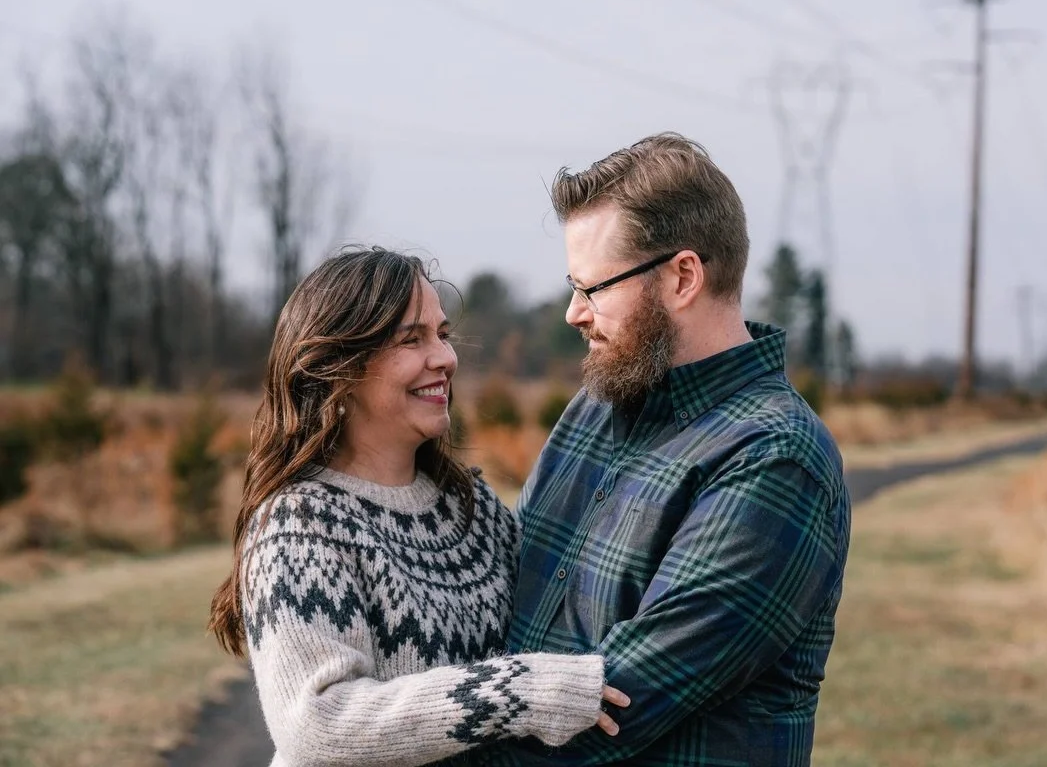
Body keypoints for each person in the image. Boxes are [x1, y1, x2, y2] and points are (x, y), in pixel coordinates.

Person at [489, 133, 851, 766]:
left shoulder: (774, 457)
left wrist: (397, 741)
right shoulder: (595, 407)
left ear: (683, 277)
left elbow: (613, 708)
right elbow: (501, 608)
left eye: (594, 288)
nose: (573, 312)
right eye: (573, 286)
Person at [207, 248, 629, 767]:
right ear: (340, 368)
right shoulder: (300, 525)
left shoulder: (471, 508)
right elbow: (318, 724)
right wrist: (520, 691)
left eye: (443, 335)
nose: (446, 358)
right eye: (412, 339)